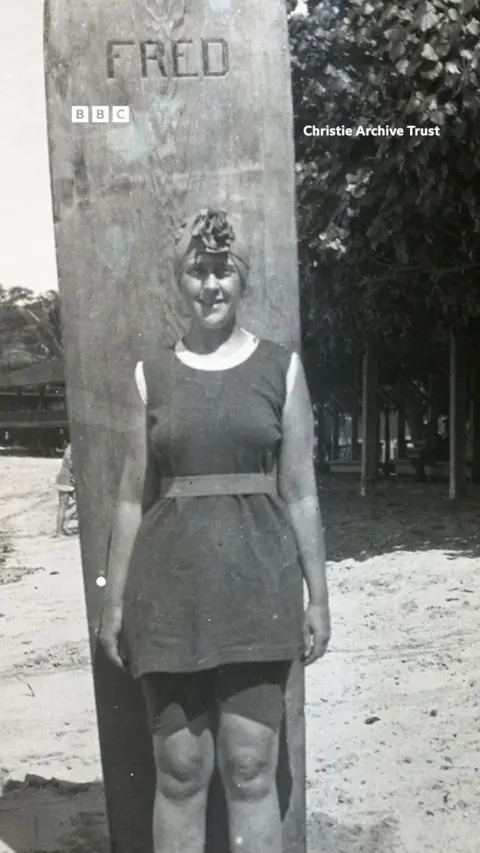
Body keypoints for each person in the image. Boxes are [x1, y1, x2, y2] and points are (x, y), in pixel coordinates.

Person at [98, 208, 331, 853]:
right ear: (180, 280)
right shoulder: (152, 375)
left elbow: (303, 493)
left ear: (242, 279)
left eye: (223, 271)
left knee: (251, 769)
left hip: (258, 592)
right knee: (179, 772)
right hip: (169, 598)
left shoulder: (281, 369)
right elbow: (127, 501)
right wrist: (114, 605)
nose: (211, 285)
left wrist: (320, 597)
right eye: (197, 272)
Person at [54, 441, 76, 536]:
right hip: (67, 477)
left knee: (81, 502)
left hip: (65, 476)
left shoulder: (72, 446)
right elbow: (71, 464)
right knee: (63, 506)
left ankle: (63, 526)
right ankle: (60, 531)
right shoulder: (76, 447)